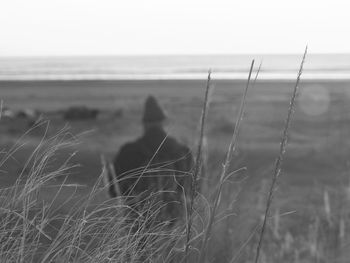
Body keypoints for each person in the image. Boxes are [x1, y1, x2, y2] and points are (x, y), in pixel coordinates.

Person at [110, 95, 194, 224]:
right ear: (163, 122)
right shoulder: (182, 151)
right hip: (174, 222)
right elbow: (193, 190)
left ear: (144, 124)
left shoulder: (128, 152)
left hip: (139, 221)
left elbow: (114, 191)